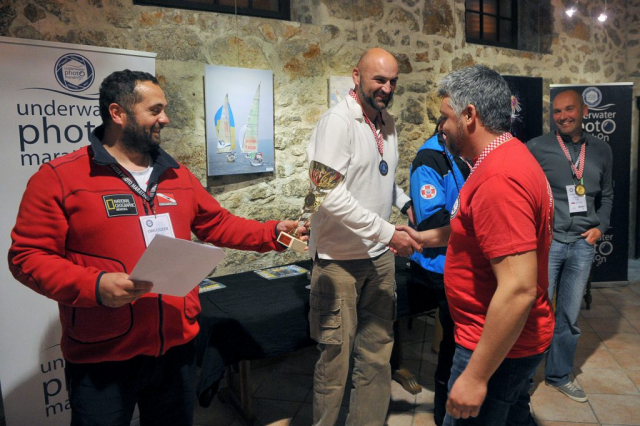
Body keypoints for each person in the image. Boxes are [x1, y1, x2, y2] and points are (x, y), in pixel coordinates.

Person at [8, 70, 306, 426]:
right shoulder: (59, 177)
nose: (165, 118)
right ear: (118, 113)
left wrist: (272, 232)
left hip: (175, 347)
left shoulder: (176, 173)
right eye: (155, 110)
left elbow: (218, 223)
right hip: (103, 353)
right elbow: (27, 257)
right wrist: (95, 286)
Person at [399, 64, 554, 424]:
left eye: (445, 117)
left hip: (495, 344)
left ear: (469, 115)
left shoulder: (499, 178)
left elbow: (518, 289)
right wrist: (424, 238)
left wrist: (475, 376)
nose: (441, 127)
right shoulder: (505, 156)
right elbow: (475, 229)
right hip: (507, 341)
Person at [306, 47, 421, 426]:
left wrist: (404, 202)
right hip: (338, 261)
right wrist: (387, 232)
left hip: (379, 258)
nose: (387, 88)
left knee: (377, 352)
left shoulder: (387, 122)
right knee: (334, 362)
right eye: (379, 79)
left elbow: (378, 177)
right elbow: (326, 192)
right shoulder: (336, 122)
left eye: (393, 81)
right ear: (356, 76)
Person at [528, 89, 613, 403]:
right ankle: (522, 379)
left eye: (569, 110)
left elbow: (607, 195)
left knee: (568, 316)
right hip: (548, 244)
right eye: (557, 111)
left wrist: (601, 227)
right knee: (535, 312)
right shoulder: (537, 147)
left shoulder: (602, 150)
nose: (563, 116)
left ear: (584, 111)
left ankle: (558, 375)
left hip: (582, 246)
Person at [407, 117, 470, 425]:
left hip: (461, 260)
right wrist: (479, 220)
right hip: (440, 265)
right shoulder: (429, 158)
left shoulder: (463, 153)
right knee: (455, 342)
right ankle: (443, 412)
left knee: (461, 339)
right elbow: (431, 221)